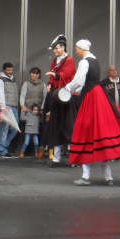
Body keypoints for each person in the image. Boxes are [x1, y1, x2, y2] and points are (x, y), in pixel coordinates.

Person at [64, 39, 120, 185]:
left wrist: (67, 89)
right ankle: (108, 177)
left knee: (85, 133)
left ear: (81, 48)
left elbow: (79, 81)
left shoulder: (84, 62)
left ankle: (86, 176)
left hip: (90, 96)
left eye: (77, 48)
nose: (76, 51)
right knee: (103, 131)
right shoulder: (95, 60)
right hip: (99, 95)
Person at [42, 36, 77, 166]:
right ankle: (56, 158)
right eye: (54, 49)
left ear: (63, 47)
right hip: (56, 97)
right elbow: (53, 77)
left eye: (56, 48)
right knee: (55, 127)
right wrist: (50, 83)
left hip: (67, 98)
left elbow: (68, 74)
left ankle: (74, 158)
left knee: (69, 127)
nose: (55, 51)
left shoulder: (70, 60)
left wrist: (55, 76)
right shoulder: (55, 61)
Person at [0, 63, 20, 158]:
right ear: (4, 70)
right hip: (6, 107)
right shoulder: (0, 81)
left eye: (11, 70)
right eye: (8, 70)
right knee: (4, 129)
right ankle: (2, 150)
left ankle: (3, 147)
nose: (10, 72)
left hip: (14, 107)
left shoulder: (13, 80)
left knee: (15, 129)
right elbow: (0, 94)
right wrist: (3, 108)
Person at [20, 67, 45, 158]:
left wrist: (42, 108)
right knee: (26, 132)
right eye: (32, 73)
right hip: (27, 110)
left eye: (36, 73)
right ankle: (23, 151)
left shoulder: (43, 84)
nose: (34, 75)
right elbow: (22, 96)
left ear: (39, 75)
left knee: (37, 133)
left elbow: (45, 97)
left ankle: (36, 152)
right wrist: (22, 106)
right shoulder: (26, 84)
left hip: (37, 111)